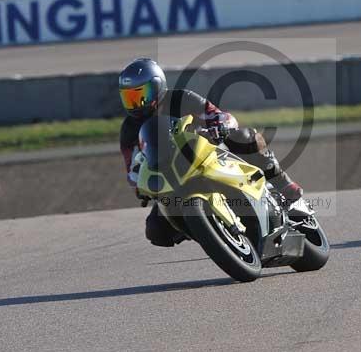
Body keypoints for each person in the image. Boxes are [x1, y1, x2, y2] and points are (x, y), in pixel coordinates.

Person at [118, 58, 303, 246]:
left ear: (158, 86)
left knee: (245, 136)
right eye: (129, 98)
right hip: (171, 180)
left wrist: (220, 127)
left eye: (140, 95)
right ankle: (211, 233)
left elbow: (219, 115)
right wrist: (139, 185)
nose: (136, 104)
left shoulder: (181, 99)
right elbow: (132, 167)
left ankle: (282, 183)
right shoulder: (129, 130)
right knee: (155, 231)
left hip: (206, 155)